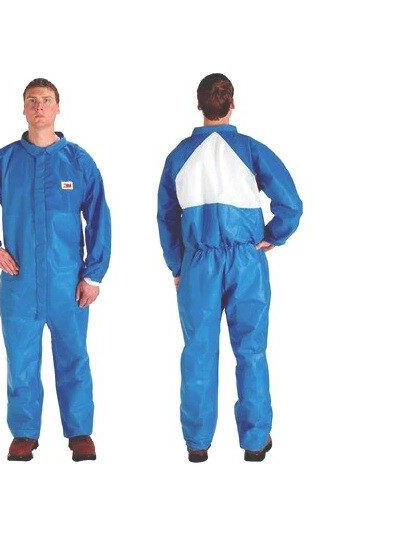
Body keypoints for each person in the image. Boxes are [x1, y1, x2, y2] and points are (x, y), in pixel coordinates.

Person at [157, 73, 302, 463]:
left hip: (197, 265)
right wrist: (272, 237)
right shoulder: (251, 150)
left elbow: (166, 218)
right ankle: (255, 442)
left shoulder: (178, 156)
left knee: (198, 352)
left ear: (198, 105)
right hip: (245, 262)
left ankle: (197, 443)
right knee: (251, 351)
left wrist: (177, 266)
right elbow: (291, 205)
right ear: (232, 104)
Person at [0, 78, 111, 462]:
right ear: (24, 108)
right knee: (21, 360)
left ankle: (80, 432)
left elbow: (99, 217)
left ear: (58, 107)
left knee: (74, 357)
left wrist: (93, 275)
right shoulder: (4, 162)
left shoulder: (78, 161)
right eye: (32, 100)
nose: (39, 107)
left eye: (46, 100)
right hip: (20, 282)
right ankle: (24, 432)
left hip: (68, 282)